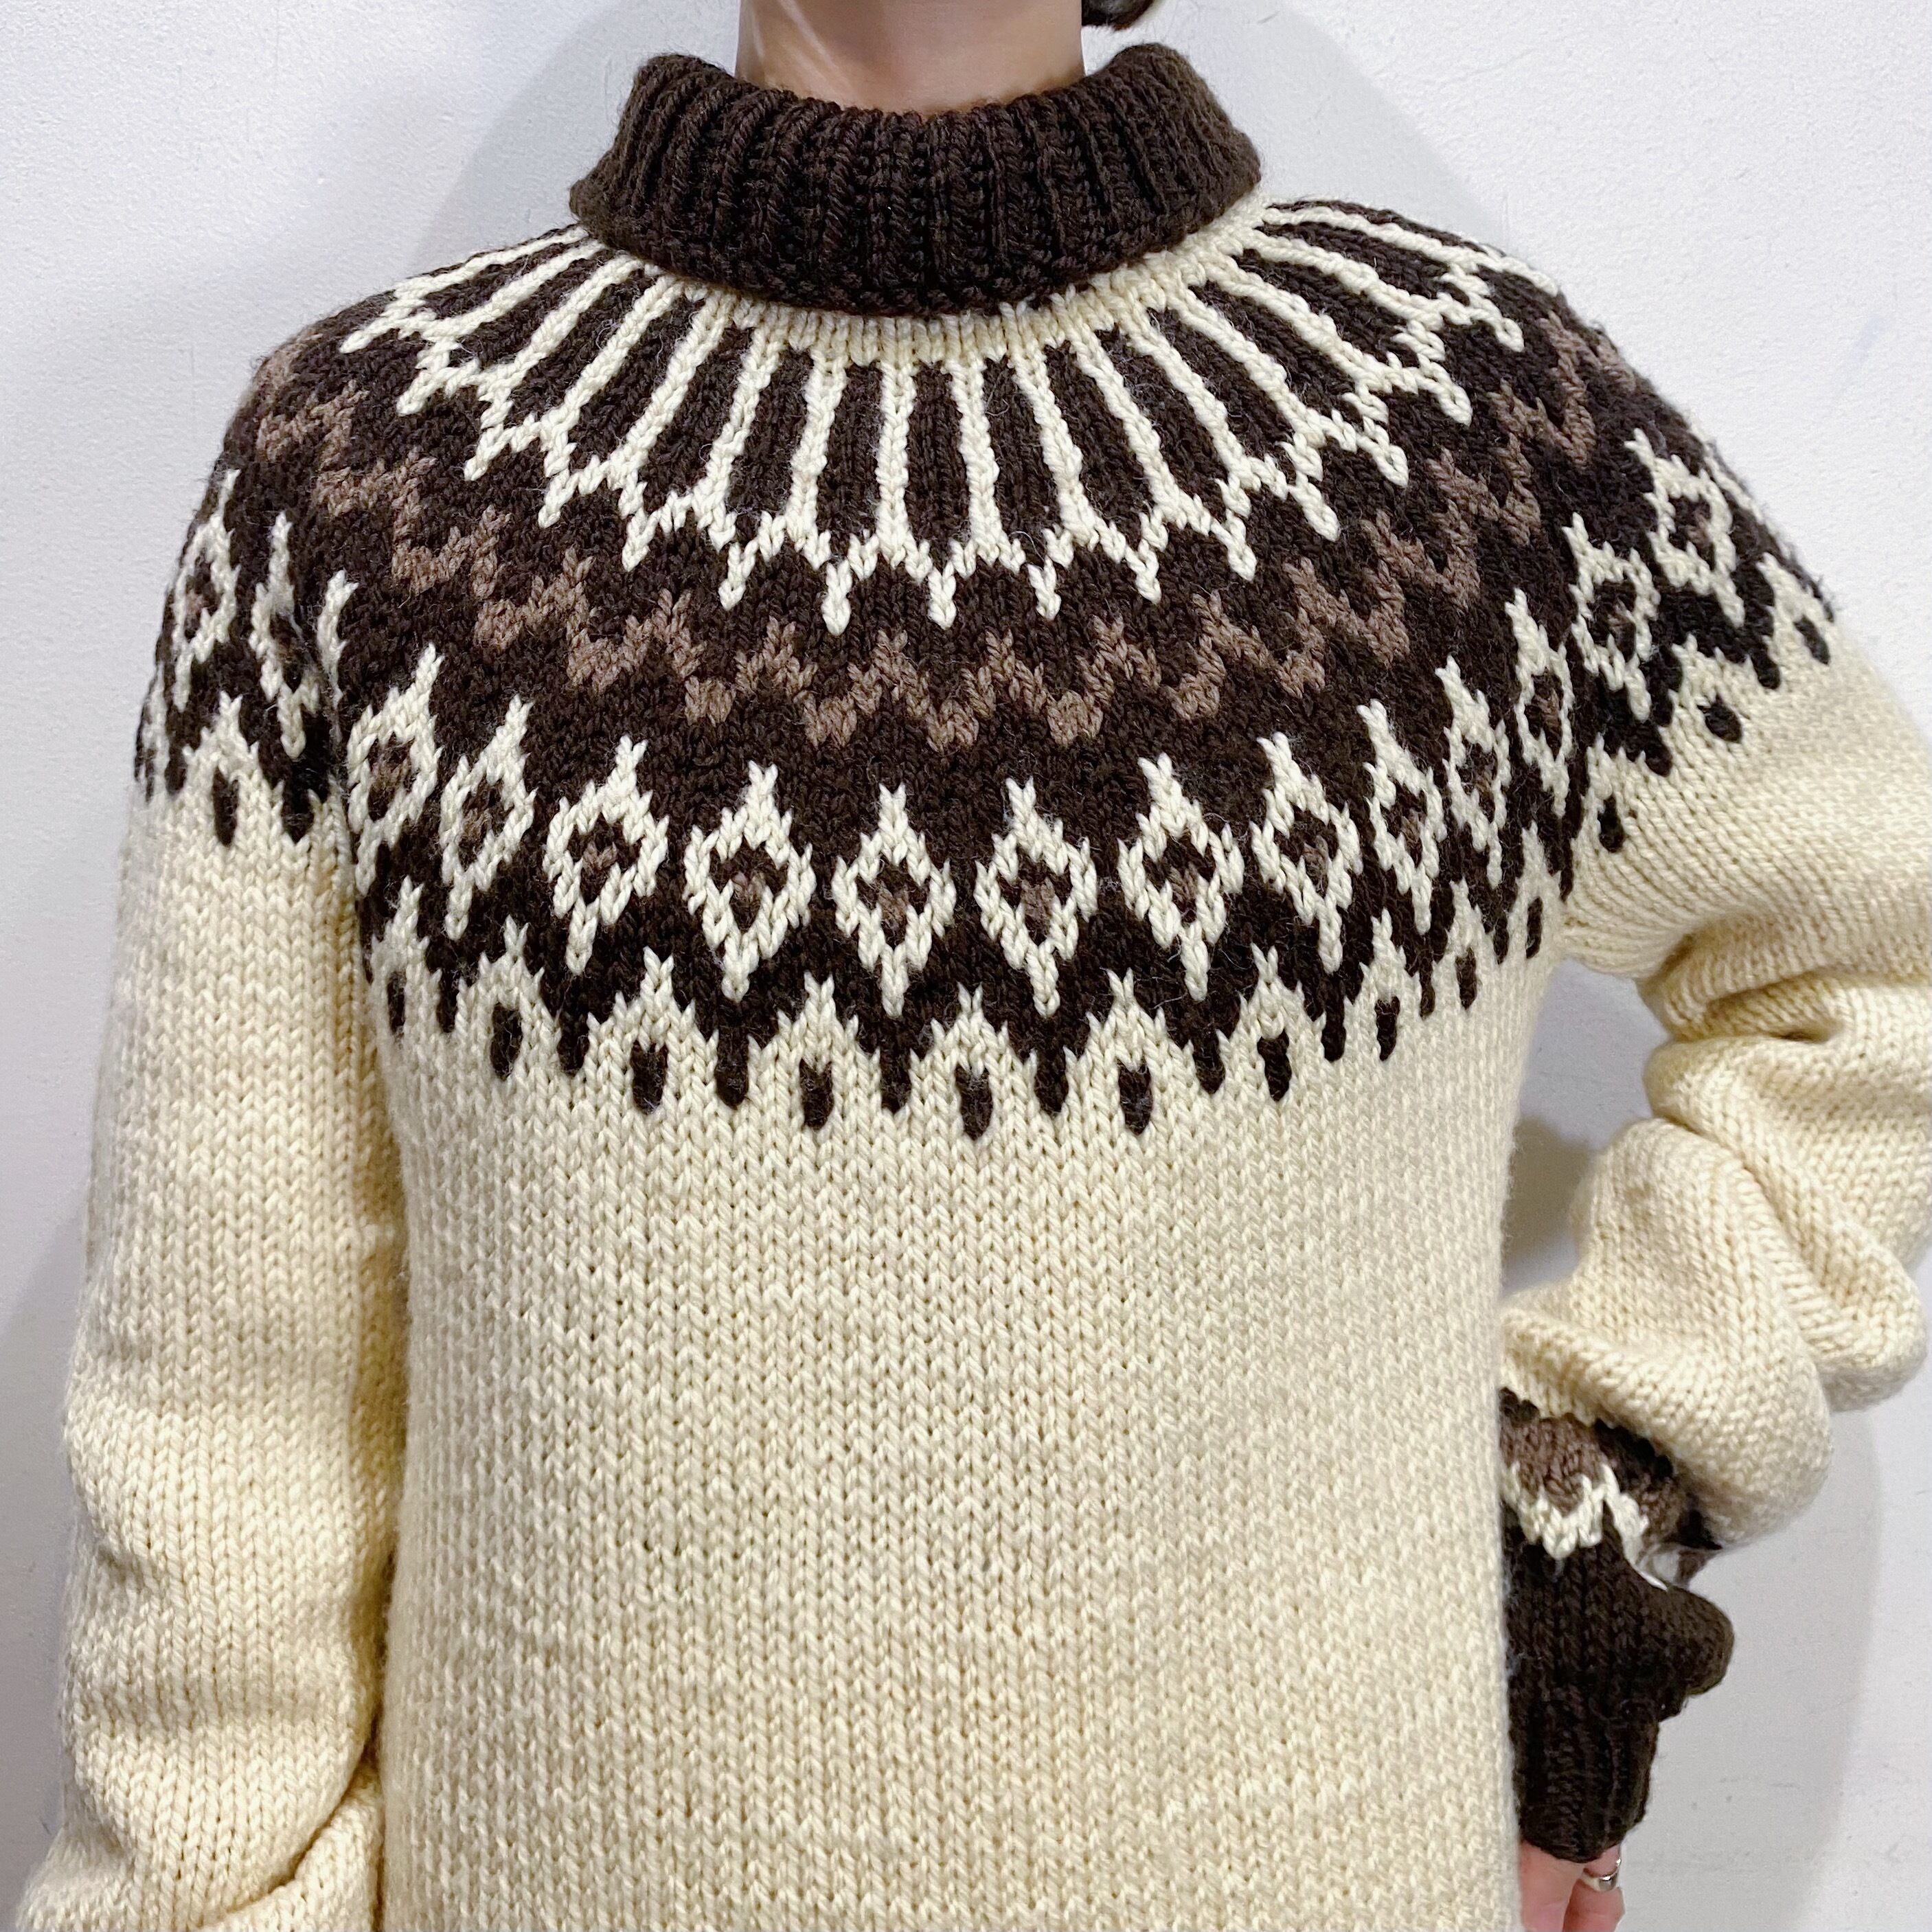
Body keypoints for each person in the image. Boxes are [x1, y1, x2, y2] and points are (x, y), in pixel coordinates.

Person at [16, 1, 1929, 1928]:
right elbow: (225, 1442)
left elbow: (1883, 969)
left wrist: (1576, 1539)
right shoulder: (373, 489)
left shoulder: (1459, 443)